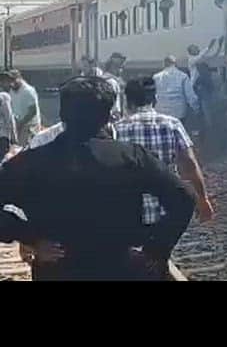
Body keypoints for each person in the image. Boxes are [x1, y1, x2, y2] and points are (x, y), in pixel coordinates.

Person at [0, 75, 195, 280]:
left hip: (58, 268)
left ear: (63, 113)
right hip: (120, 267)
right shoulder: (132, 157)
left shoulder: (33, 161)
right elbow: (184, 197)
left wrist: (30, 237)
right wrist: (155, 249)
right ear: (108, 114)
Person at [115, 77, 214, 225]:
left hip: (129, 210)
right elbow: (189, 164)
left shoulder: (116, 129)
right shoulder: (172, 124)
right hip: (167, 208)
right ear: (155, 99)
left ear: (128, 102)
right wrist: (202, 198)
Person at [153, 55, 199, 129]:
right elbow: (190, 96)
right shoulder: (183, 76)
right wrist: (196, 108)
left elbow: (153, 95)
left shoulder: (156, 77)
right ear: (175, 64)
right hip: (179, 112)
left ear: (164, 64)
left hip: (161, 112)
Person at [4, 70, 41, 147]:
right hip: (18, 125)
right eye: (9, 80)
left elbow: (33, 111)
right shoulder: (11, 91)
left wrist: (21, 123)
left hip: (29, 127)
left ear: (19, 78)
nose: (11, 82)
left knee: (25, 149)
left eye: (13, 79)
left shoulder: (28, 90)